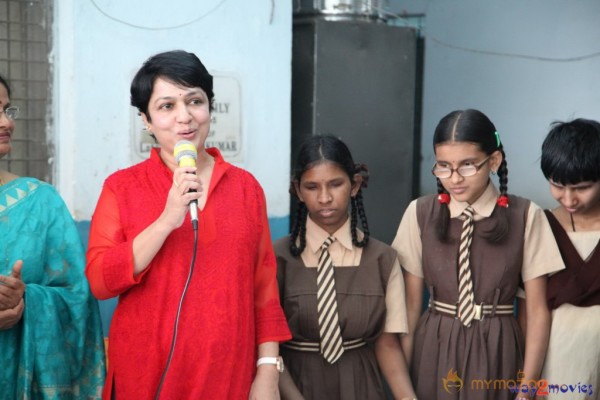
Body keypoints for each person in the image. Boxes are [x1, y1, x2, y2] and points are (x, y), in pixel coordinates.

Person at [85, 50, 291, 399]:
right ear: (146, 120)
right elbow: (101, 281)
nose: (185, 117)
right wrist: (167, 219)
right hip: (147, 377)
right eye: (166, 106)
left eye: (194, 101)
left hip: (228, 376)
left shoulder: (246, 189)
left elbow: (264, 288)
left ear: (209, 108)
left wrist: (268, 373)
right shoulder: (121, 188)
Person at [392, 109, 565, 400]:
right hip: (435, 348)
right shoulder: (420, 213)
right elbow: (409, 308)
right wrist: (404, 387)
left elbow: (536, 313)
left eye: (468, 166)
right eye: (443, 167)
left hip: (498, 349)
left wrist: (526, 390)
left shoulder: (526, 215)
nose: (454, 178)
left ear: (494, 161)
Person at [275, 134, 416, 400]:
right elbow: (268, 348)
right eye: (312, 187)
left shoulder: (383, 259)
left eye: (335, 184)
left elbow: (387, 344)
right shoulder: (277, 257)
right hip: (295, 384)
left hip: (361, 386)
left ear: (354, 185)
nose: (325, 197)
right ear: (298, 191)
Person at [0, 74, 106, 398]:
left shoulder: (41, 203)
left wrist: (25, 302)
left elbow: (78, 300)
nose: (6, 122)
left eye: (6, 109)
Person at [519, 118, 600, 399]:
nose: (568, 199)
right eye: (557, 185)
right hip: (556, 357)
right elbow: (529, 311)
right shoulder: (540, 225)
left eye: (582, 187)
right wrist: (531, 381)